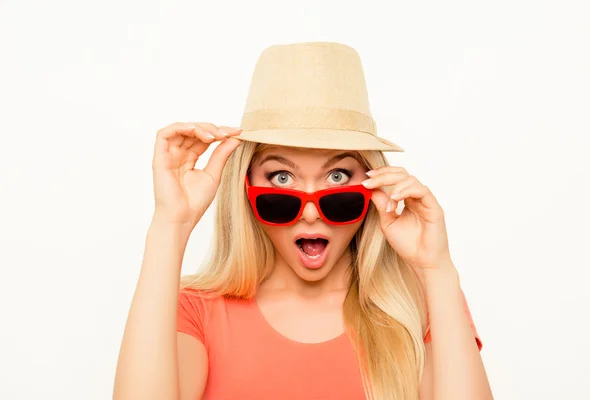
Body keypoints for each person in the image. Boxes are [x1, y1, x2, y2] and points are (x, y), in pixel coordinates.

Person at [113, 42, 493, 400]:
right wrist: (170, 224)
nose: (310, 211)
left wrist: (437, 268)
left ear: (373, 184)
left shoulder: (419, 308)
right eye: (281, 177)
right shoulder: (195, 310)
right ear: (246, 187)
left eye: (338, 177)